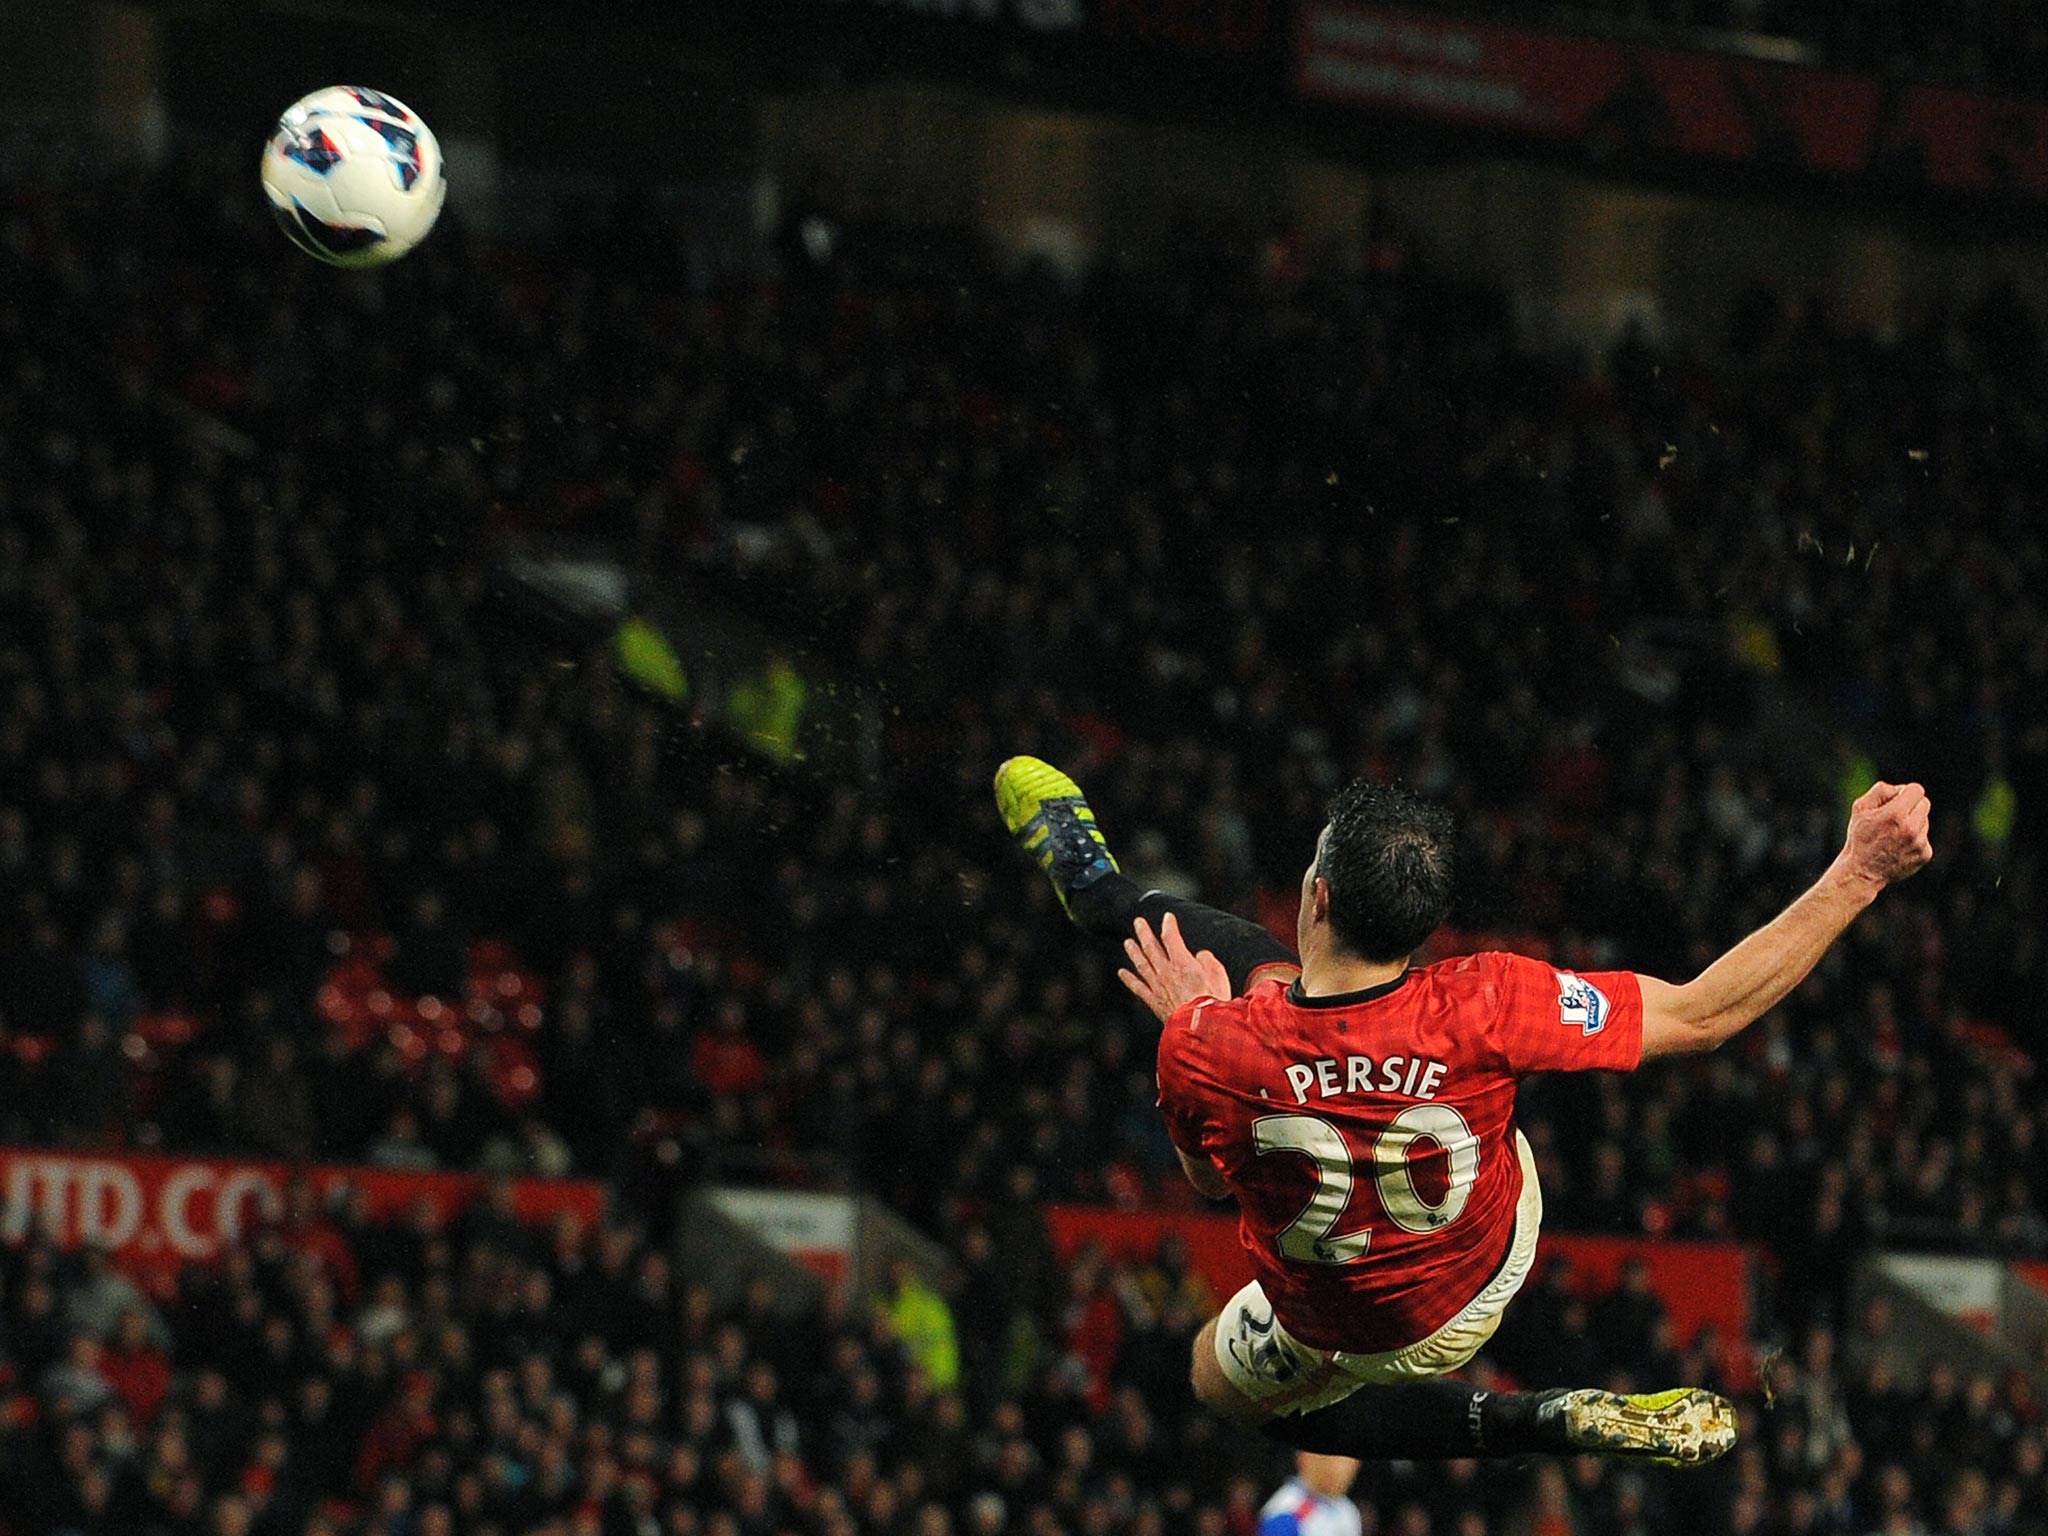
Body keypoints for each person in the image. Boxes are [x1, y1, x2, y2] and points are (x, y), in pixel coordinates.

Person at [993, 756, 1933, 1472]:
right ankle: (1098, 889)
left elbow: (1207, 1183)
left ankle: (1532, 1419)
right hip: (1489, 1250)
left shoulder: (1206, 1044)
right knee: (1293, 991)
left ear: (1318, 894)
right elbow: (1703, 1015)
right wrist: (1859, 870)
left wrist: (1194, 1019)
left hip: (1349, 1323)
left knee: (1217, 1381)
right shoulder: (1492, 996)